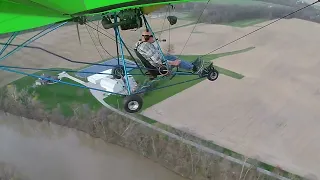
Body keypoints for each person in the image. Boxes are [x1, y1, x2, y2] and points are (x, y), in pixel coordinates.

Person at [135, 30, 203, 73]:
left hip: (156, 62)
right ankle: (194, 68)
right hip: (160, 67)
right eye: (152, 36)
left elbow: (153, 54)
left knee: (170, 56)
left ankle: (191, 64)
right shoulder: (146, 46)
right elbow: (157, 61)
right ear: (147, 38)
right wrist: (173, 63)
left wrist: (154, 41)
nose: (153, 37)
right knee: (176, 60)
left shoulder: (140, 43)